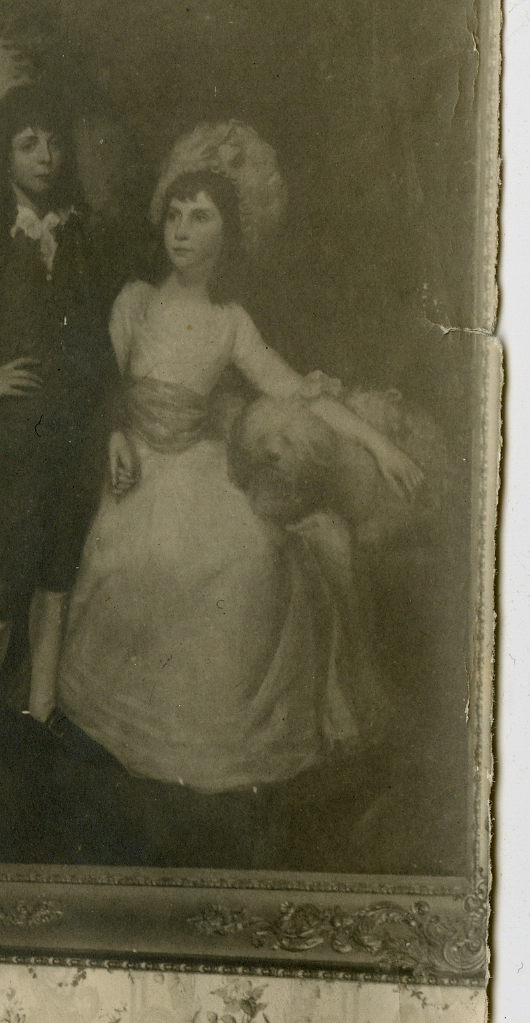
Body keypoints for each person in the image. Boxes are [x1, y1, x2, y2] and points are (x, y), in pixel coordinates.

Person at [55, 140, 422, 793]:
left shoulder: (229, 321)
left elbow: (291, 388)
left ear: (230, 233)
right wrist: (115, 433)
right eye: (174, 216)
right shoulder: (136, 300)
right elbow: (98, 386)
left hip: (197, 468)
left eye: (200, 218)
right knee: (133, 563)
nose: (183, 231)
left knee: (256, 554)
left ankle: (222, 736)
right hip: (133, 467)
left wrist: (382, 445)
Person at [0, 81, 112, 754]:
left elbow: (96, 333)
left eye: (53, 143)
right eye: (27, 144)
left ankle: (42, 708)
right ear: (3, 157)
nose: (46, 156)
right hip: (13, 437)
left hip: (71, 436)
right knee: (8, 569)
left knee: (58, 569)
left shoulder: (76, 235)